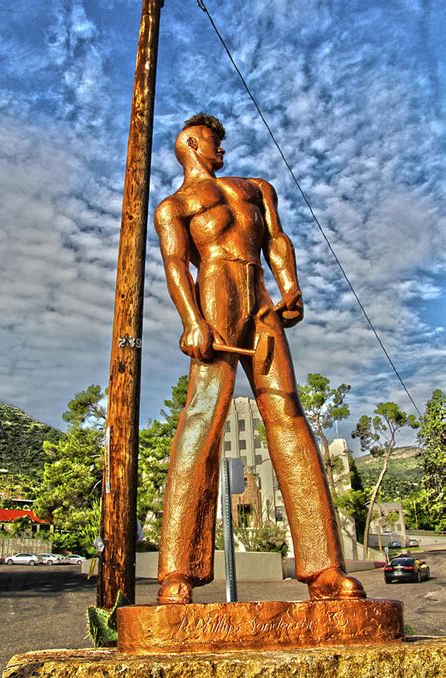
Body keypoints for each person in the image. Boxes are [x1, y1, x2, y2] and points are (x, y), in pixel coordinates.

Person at [154, 113, 365, 604]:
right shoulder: (175, 207)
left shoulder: (255, 188)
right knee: (205, 413)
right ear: (190, 143)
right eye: (213, 142)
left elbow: (276, 241)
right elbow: (174, 265)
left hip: (260, 299)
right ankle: (177, 572)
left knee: (287, 411)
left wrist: (290, 284)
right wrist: (192, 320)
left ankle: (324, 569)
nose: (221, 149)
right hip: (214, 293)